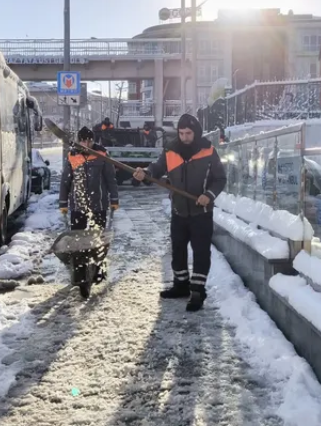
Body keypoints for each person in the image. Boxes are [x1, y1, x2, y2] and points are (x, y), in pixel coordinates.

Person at [133, 113, 226, 312]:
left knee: (201, 252)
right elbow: (156, 169)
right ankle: (181, 285)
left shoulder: (208, 151)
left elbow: (220, 179)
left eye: (188, 133)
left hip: (201, 212)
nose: (184, 137)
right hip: (179, 210)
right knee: (178, 249)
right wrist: (145, 173)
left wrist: (208, 195)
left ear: (196, 132)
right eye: (181, 133)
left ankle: (198, 291)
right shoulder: (171, 150)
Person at [60, 127, 119, 280]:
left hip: (98, 204)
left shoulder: (102, 155)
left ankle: (99, 269)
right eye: (84, 140)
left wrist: (114, 199)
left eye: (90, 140)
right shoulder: (72, 155)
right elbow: (66, 181)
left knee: (98, 238)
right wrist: (63, 202)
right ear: (79, 140)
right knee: (78, 241)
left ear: (94, 140)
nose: (87, 143)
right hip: (78, 206)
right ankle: (79, 272)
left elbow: (110, 179)